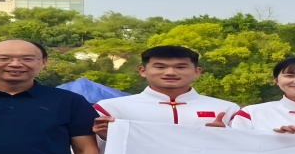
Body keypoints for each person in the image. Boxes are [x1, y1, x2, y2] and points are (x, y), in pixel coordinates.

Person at [90, 46, 240, 140]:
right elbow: (88, 153)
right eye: (160, 67)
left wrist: (226, 136)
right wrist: (106, 137)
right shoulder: (110, 109)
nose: (170, 72)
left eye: (181, 67)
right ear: (143, 71)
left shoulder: (227, 110)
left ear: (197, 72)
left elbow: (243, 151)